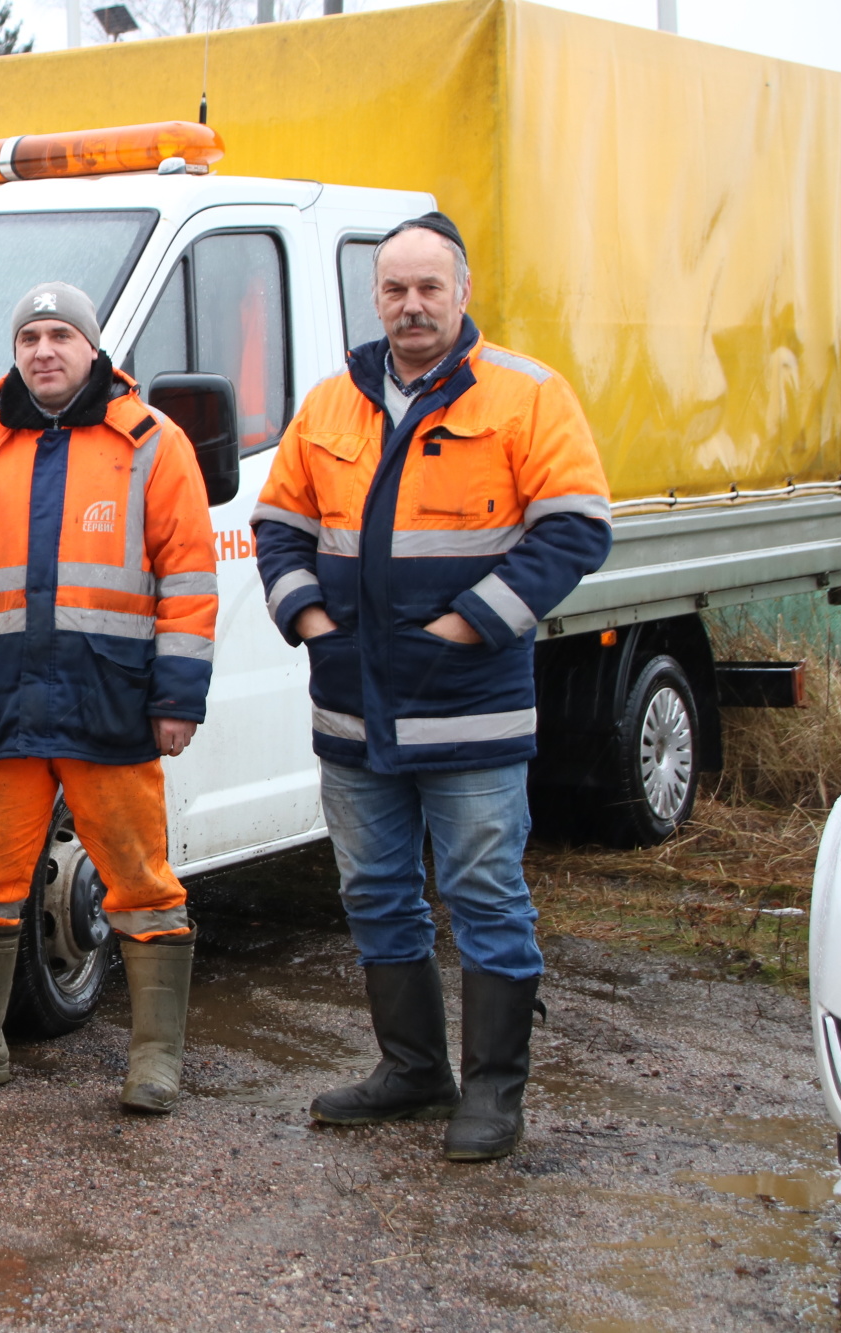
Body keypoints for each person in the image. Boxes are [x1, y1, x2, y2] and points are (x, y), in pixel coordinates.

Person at [252, 213, 612, 1161]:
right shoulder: (332, 402)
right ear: (375, 297)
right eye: (395, 290)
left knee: (485, 891)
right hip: (353, 708)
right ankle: (413, 1070)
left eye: (429, 289)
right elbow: (279, 526)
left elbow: (575, 529)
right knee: (374, 889)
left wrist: (466, 625)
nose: (412, 306)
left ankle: (494, 1092)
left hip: (472, 706)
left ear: (461, 293)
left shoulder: (527, 395)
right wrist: (312, 624)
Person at [0, 282, 219, 1112]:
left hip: (106, 702)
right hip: (0, 704)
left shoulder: (153, 444)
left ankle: (155, 1058)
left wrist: (178, 694)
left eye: (60, 335)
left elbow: (188, 582)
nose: (44, 350)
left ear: (92, 348)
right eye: (30, 337)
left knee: (141, 879)